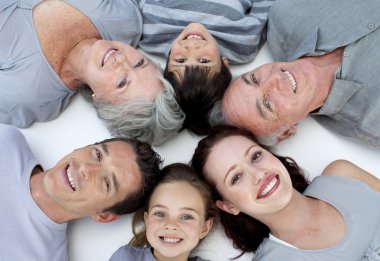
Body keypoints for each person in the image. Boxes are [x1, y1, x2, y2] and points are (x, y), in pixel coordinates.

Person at [191, 125, 380, 261]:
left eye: (256, 156)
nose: (258, 174)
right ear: (229, 206)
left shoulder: (341, 175)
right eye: (236, 177)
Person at [0, 123, 162, 261]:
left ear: (104, 215)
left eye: (107, 182)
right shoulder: (7, 140)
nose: (86, 168)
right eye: (97, 154)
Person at [0, 0, 184, 145]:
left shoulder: (28, 95)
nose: (122, 61)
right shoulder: (123, 20)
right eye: (139, 63)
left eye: (122, 83)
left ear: (100, 101)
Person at [219, 0, 380, 148]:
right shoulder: (373, 124)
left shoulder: (286, 15)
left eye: (254, 79)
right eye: (268, 105)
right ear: (286, 133)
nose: (275, 78)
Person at [88, 163, 231, 261]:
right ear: (147, 219)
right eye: (160, 213)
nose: (171, 225)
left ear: (204, 228)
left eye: (187, 216)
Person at [137, 0, 274, 134]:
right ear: (224, 65)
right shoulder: (243, 42)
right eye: (204, 60)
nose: (192, 47)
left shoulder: (150, 31)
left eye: (180, 60)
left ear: (167, 62)